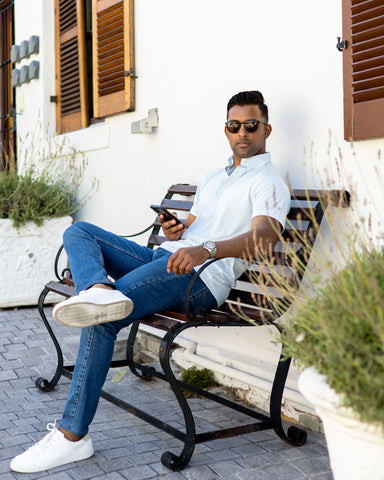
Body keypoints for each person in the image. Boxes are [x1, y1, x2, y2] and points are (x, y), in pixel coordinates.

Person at [10, 90, 291, 473]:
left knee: (101, 318)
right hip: (168, 259)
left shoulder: (268, 181)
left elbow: (265, 239)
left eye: (251, 125)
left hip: (200, 280)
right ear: (225, 130)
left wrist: (206, 249)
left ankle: (72, 435)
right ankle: (96, 289)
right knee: (81, 233)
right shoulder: (215, 177)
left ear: (266, 129)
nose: (242, 132)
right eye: (234, 125)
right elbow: (193, 227)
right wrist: (175, 230)